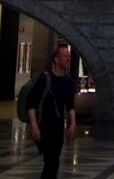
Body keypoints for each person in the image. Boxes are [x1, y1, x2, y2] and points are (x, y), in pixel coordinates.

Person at [27, 43, 77, 179]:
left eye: (69, 56)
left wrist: (73, 123)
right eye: (65, 56)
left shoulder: (68, 81)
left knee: (53, 162)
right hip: (44, 126)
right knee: (51, 162)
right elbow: (31, 103)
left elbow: (70, 104)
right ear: (56, 59)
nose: (68, 59)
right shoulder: (45, 78)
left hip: (58, 128)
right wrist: (34, 127)